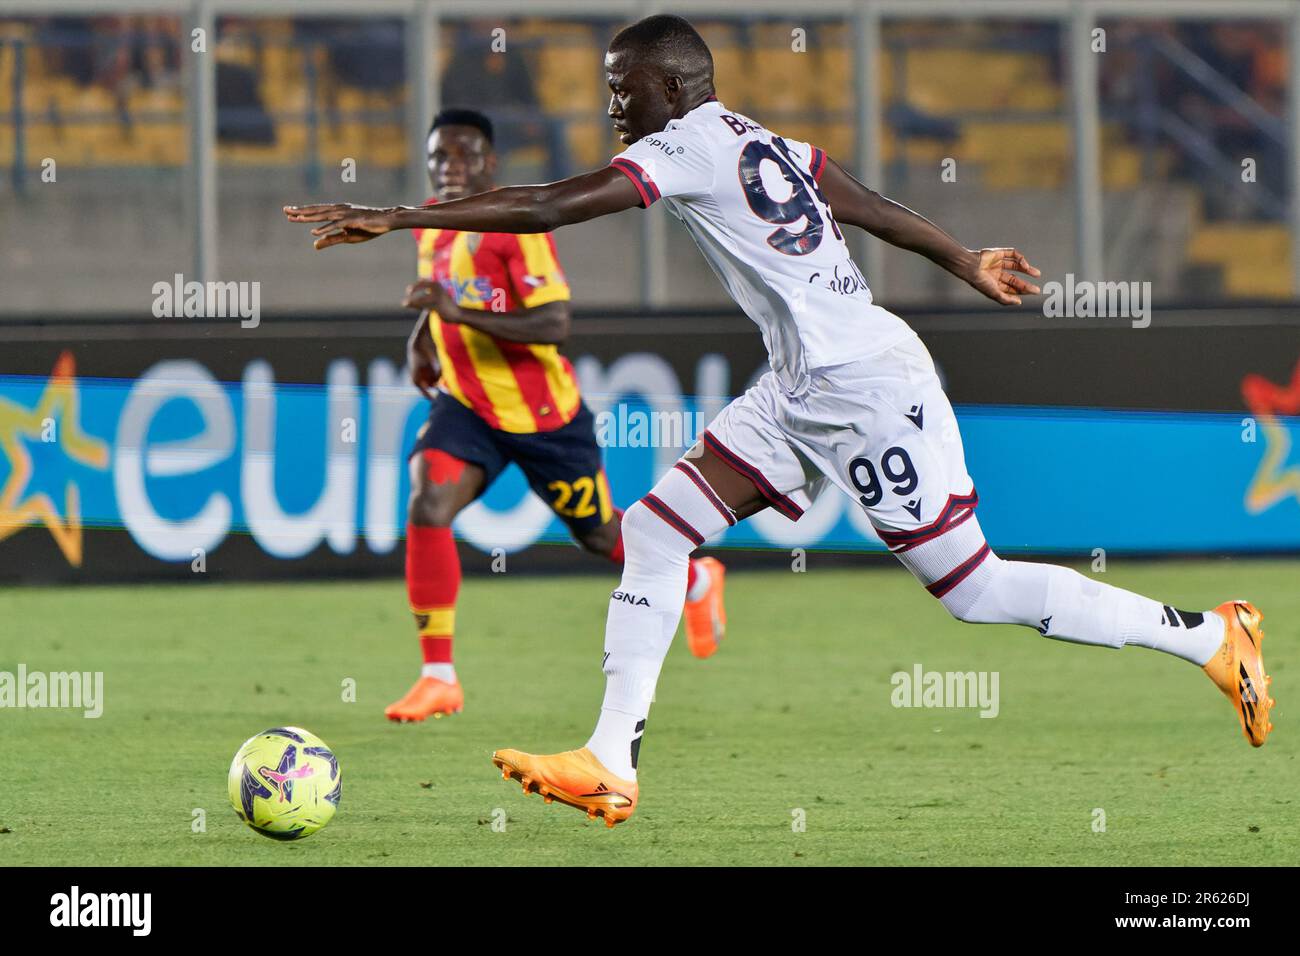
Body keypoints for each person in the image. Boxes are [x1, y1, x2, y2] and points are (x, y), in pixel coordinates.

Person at [287, 16, 1273, 825]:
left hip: (866, 389)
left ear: (671, 87)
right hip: (797, 385)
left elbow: (549, 206)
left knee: (975, 589)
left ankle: (1207, 635)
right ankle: (611, 758)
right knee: (654, 527)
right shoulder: (761, 137)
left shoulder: (682, 145)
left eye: (621, 87)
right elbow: (864, 203)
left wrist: (404, 215)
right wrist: (962, 257)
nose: (611, 104)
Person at [382, 106, 727, 723]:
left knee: (598, 535)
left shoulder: (520, 232)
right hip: (469, 406)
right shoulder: (430, 226)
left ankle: (697, 578)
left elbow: (554, 324)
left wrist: (454, 316)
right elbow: (440, 296)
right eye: (438, 157)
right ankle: (438, 675)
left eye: (462, 156)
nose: (448, 167)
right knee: (428, 503)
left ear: (490, 163)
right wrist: (423, 337)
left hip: (545, 419)